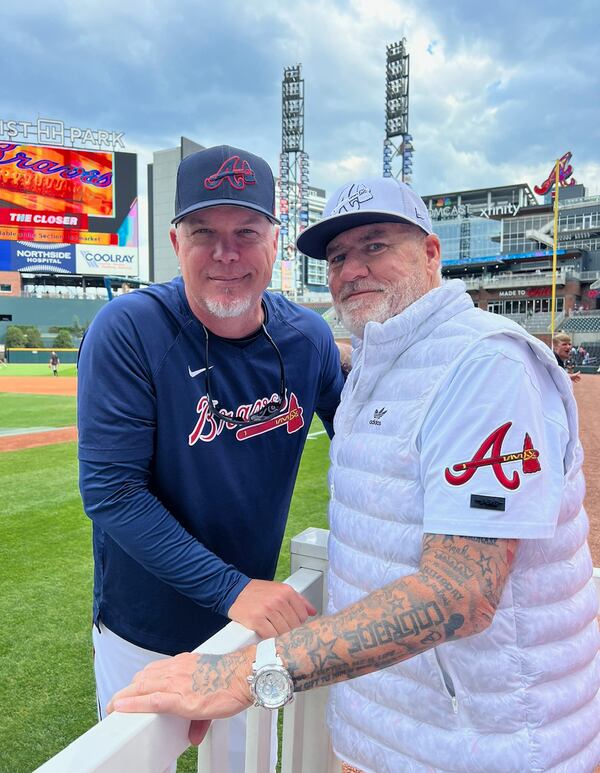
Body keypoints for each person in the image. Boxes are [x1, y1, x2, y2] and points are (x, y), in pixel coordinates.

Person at [109, 177, 600, 772]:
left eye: (375, 246)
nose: (352, 270)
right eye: (338, 257)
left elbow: (462, 592)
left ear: (430, 253)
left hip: (485, 739)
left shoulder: (487, 365)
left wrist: (251, 670)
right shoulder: (378, 359)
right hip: (402, 727)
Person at [77, 145, 344, 768]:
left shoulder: (307, 337)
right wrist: (232, 589)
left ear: (274, 242)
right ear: (176, 241)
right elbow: (111, 491)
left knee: (242, 763)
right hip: (142, 625)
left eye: (246, 232)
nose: (226, 253)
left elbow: (366, 435)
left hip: (247, 632)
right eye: (205, 233)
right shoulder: (130, 328)